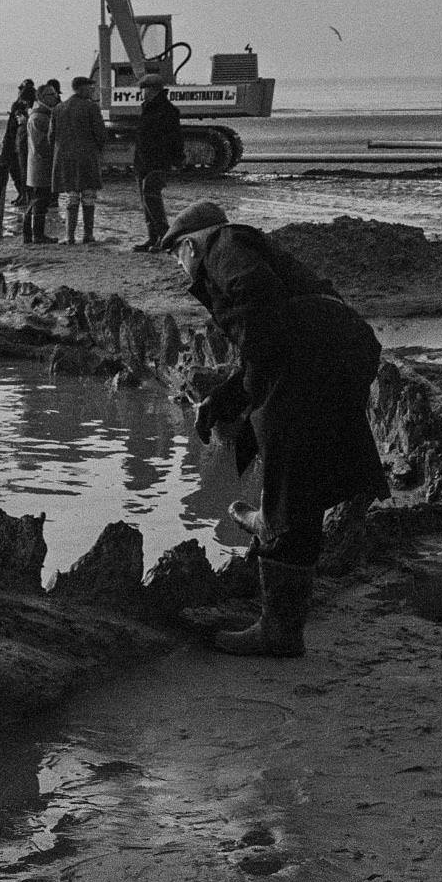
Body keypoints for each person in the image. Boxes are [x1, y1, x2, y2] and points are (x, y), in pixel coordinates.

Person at [163, 200, 388, 657]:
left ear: (189, 244)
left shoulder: (224, 245)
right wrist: (229, 396)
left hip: (312, 355)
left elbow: (256, 310)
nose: (180, 268)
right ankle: (273, 520)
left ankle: (279, 628)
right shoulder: (243, 248)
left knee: (289, 467)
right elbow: (261, 333)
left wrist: (251, 386)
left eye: (176, 256)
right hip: (334, 346)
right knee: (296, 464)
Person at [130, 74, 185, 251]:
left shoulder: (167, 110)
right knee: (146, 200)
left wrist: (176, 159)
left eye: (143, 89)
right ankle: (152, 238)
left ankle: (164, 238)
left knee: (151, 197)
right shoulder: (150, 108)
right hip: (143, 162)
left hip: (157, 161)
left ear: (152, 90)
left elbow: (175, 138)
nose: (142, 93)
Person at [53, 75, 108, 244]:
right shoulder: (91, 107)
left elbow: (52, 136)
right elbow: (100, 134)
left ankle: (69, 236)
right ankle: (88, 235)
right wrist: (99, 149)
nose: (92, 90)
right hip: (87, 157)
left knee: (72, 197)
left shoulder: (59, 108)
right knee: (88, 196)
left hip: (65, 159)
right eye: (90, 87)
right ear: (82, 88)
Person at [24, 82, 62, 243]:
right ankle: (35, 235)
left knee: (41, 200)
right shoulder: (39, 117)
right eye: (51, 95)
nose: (56, 97)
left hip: (41, 166)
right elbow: (41, 145)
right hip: (41, 166)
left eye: (55, 94)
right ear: (41, 97)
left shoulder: (44, 115)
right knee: (40, 200)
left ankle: (32, 234)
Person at [0, 80, 35, 208]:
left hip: (20, 142)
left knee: (22, 171)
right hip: (15, 141)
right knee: (16, 170)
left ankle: (24, 195)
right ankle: (22, 194)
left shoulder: (27, 107)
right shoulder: (18, 105)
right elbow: (11, 126)